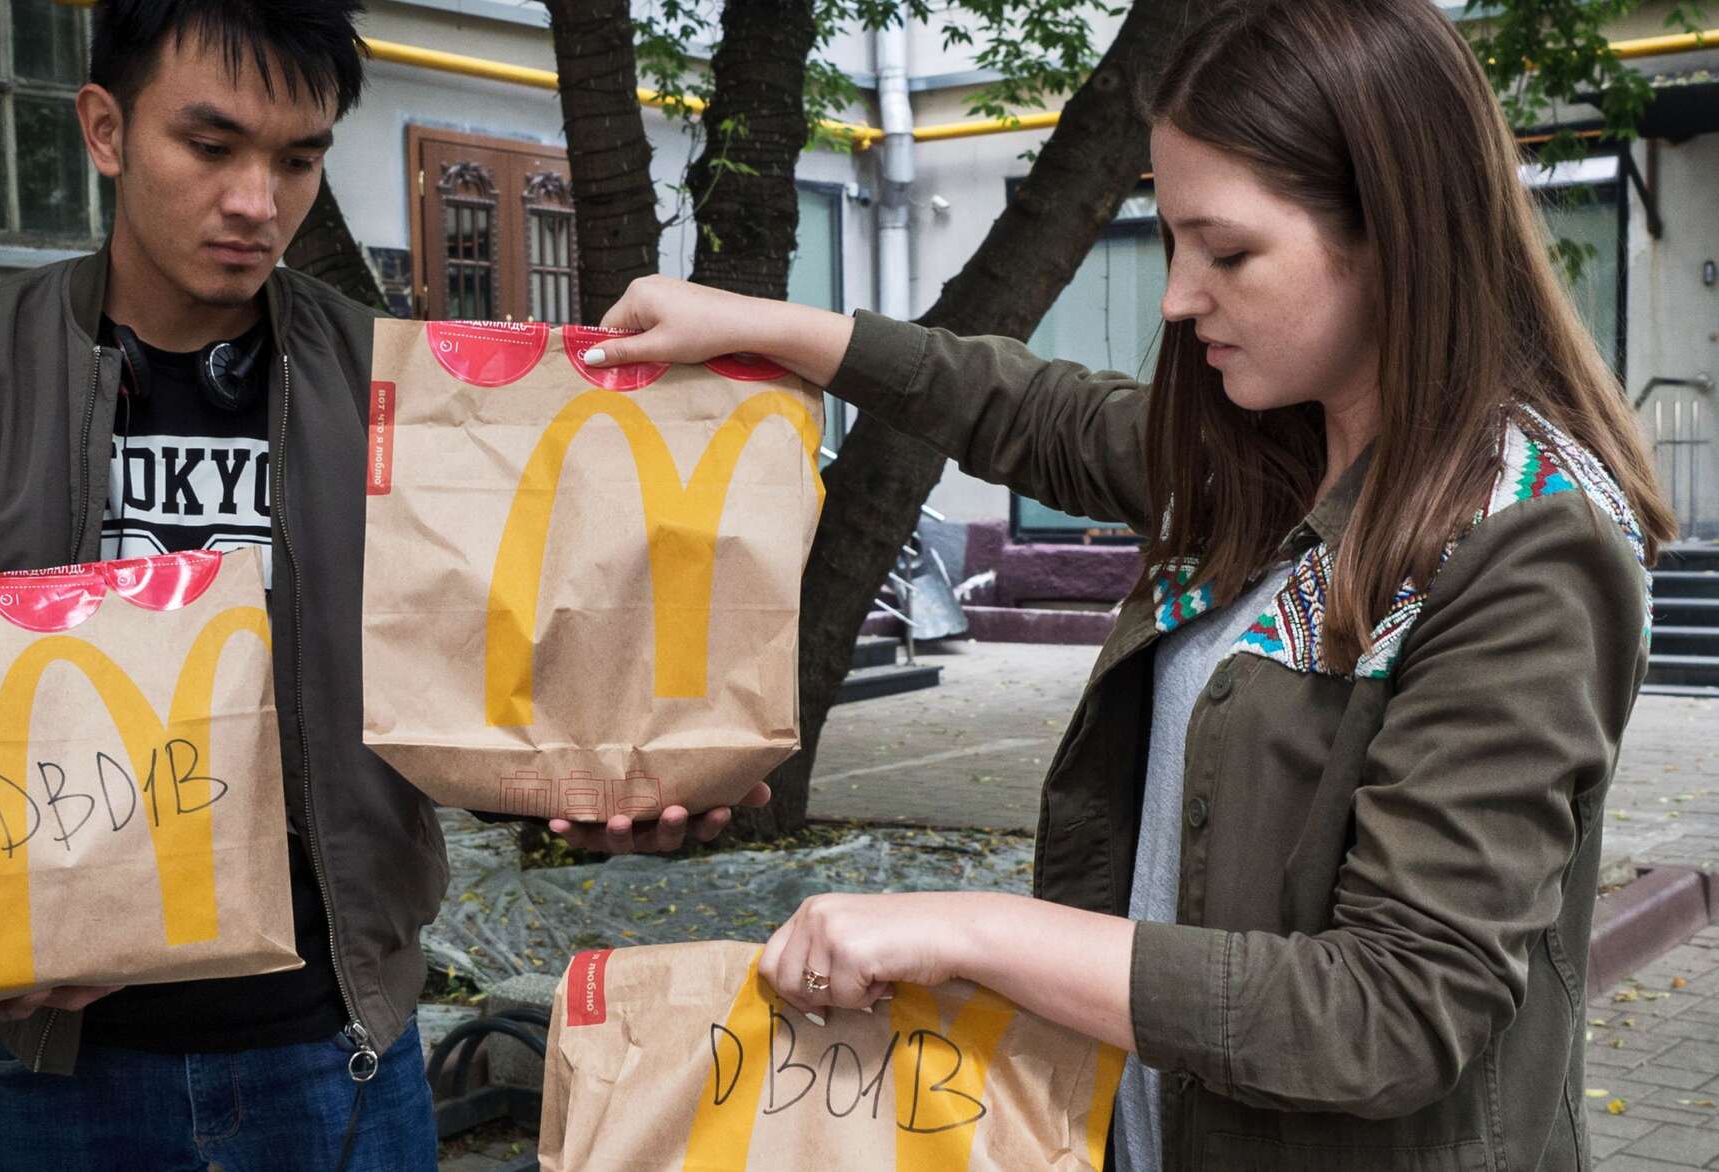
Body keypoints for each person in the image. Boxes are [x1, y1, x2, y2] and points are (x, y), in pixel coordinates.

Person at [579, 0, 1673, 1166]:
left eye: (1228, 251)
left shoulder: (1525, 544)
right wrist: (757, 325)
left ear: (1392, 231)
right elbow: (1024, 409)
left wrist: (971, 928)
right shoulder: (1273, 454)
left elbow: (1391, 1010)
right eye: (1170, 243)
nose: (1176, 296)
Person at [0, 1, 752, 1167]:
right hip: (69, 1062)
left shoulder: (396, 388)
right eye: (211, 147)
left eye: (297, 156)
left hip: (333, 1047)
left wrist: (601, 779)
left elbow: (474, 678)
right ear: (105, 129)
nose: (257, 200)